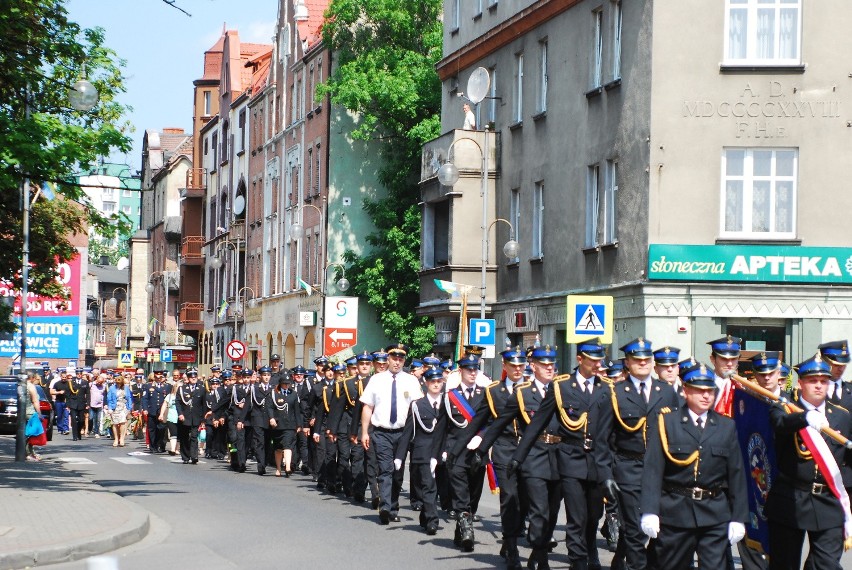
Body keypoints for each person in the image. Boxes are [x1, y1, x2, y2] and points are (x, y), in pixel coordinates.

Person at [640, 363, 748, 569]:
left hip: (714, 512)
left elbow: (736, 474)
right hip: (675, 511)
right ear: (685, 390)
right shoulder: (667, 422)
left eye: (710, 391)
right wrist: (649, 510)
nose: (706, 395)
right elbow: (653, 469)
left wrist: (738, 517)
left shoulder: (726, 426)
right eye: (699, 390)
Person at [514, 338, 609, 570]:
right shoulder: (562, 387)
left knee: (594, 514)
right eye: (592, 360)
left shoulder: (607, 387)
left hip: (597, 460)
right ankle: (578, 561)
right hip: (570, 459)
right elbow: (537, 424)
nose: (598, 365)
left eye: (600, 360)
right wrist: (518, 457)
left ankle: (590, 547)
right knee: (575, 516)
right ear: (580, 359)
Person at [595, 338, 680, 570]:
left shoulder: (667, 392)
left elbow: (678, 435)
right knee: (634, 530)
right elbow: (602, 441)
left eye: (646, 359)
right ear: (628, 362)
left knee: (662, 530)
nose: (643, 363)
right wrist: (606, 475)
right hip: (629, 469)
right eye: (637, 360)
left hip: (662, 473)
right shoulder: (615, 394)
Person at [765, 354, 852, 570]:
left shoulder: (841, 416)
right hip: (791, 498)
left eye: (824, 381)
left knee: (827, 565)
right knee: (784, 564)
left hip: (828, 500)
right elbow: (780, 424)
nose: (819, 386)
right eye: (813, 381)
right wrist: (803, 418)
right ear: (801, 383)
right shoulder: (785, 409)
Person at [459, 346, 529, 569]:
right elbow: (478, 421)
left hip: (529, 452)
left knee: (525, 501)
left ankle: (510, 539)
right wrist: (460, 449)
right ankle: (512, 547)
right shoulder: (494, 392)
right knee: (509, 498)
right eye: (513, 366)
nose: (517, 369)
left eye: (521, 365)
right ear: (505, 367)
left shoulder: (531, 390)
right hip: (504, 449)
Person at [360, 342, 423, 525]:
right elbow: (367, 407)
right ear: (387, 358)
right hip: (381, 432)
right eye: (394, 358)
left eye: (400, 359)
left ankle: (394, 505)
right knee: (385, 469)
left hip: (403, 433)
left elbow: (418, 408)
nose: (397, 362)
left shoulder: (411, 381)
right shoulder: (376, 380)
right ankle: (385, 506)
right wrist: (365, 432)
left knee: (398, 472)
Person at [443, 354, 490, 551]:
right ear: (460, 371)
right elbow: (442, 427)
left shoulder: (486, 394)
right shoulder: (451, 396)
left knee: (474, 494)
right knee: (460, 493)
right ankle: (468, 533)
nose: (472, 372)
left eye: (475, 369)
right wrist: (440, 451)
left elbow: (492, 422)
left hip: (477, 452)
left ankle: (460, 530)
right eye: (468, 369)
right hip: (456, 452)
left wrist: (483, 438)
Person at [395, 366, 447, 536]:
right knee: (428, 486)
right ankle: (433, 520)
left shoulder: (448, 403)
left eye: (439, 381)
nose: (436, 384)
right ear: (426, 383)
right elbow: (408, 431)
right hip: (423, 452)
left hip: (443, 450)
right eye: (433, 381)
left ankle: (426, 514)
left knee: (440, 487)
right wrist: (400, 456)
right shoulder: (417, 405)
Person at [267, 371, 302, 477]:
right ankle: (278, 468)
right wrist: (271, 418)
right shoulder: (274, 393)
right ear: (280, 383)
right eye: (285, 383)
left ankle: (287, 467)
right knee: (278, 448)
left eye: (288, 383)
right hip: (278, 425)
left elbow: (297, 410)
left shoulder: (293, 394)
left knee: (288, 445)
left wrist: (299, 425)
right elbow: (269, 407)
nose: (287, 385)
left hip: (290, 425)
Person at [175, 369, 205, 464]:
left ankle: (194, 456)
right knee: (184, 437)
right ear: (188, 378)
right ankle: (185, 457)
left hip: (196, 417)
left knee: (194, 436)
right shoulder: (182, 389)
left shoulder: (201, 389)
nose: (193, 378)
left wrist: (203, 419)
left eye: (195, 377)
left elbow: (204, 404)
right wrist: (180, 414)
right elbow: (178, 402)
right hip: (185, 417)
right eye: (191, 377)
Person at [707, 336, 742, 417]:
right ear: (712, 359)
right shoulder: (703, 386)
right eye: (724, 359)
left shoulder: (742, 388)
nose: (729, 364)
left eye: (733, 359)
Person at [142, 370, 169, 453]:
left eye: (160, 377)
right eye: (157, 377)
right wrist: (145, 409)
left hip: (162, 412)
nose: (158, 379)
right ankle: (152, 446)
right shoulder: (148, 386)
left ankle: (160, 445)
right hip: (152, 410)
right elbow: (145, 398)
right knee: (152, 429)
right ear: (154, 377)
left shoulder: (167, 387)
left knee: (161, 429)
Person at [106, 375, 134, 447]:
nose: (119, 384)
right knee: (115, 423)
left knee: (122, 422)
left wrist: (129, 408)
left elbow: (129, 398)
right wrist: (109, 408)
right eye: (117, 383)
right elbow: (109, 399)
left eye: (120, 383)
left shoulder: (126, 388)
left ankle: (122, 439)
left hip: (124, 406)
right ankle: (116, 439)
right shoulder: (112, 388)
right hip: (115, 407)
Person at [65, 368, 90, 441]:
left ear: (82, 374)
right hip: (73, 403)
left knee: (81, 420)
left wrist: (88, 403)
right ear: (76, 374)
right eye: (77, 374)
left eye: (80, 374)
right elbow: (67, 394)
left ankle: (79, 432)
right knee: (73, 419)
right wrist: (67, 405)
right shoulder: (71, 382)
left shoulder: (85, 382)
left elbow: (88, 393)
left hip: (82, 403)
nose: (79, 375)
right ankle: (74, 436)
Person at [158, 380, 179, 455]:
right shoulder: (170, 396)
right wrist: (161, 414)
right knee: (173, 433)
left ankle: (177, 448)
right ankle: (173, 449)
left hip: (180, 417)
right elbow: (164, 405)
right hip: (171, 416)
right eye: (177, 387)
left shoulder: (183, 396)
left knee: (179, 434)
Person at [25, 374, 43, 461]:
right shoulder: (31, 386)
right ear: (32, 378)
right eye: (37, 379)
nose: (38, 381)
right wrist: (39, 414)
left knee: (26, 433)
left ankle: (30, 453)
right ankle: (28, 454)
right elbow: (35, 401)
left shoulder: (21, 385)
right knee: (32, 434)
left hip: (22, 412)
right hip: (31, 412)